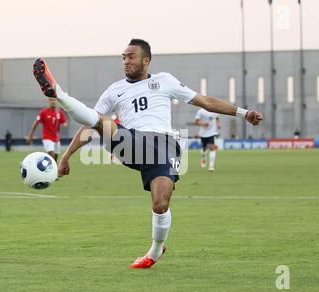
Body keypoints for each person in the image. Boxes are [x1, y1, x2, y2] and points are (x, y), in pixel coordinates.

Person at [32, 39, 263, 268]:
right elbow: (90, 127)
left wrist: (244, 113)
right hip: (130, 140)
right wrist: (66, 156)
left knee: (160, 204)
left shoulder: (165, 80)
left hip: (165, 146)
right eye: (123, 57)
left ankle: (155, 250)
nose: (125, 61)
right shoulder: (115, 90)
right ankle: (59, 93)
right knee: (100, 120)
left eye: (131, 56)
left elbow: (205, 101)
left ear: (146, 60)